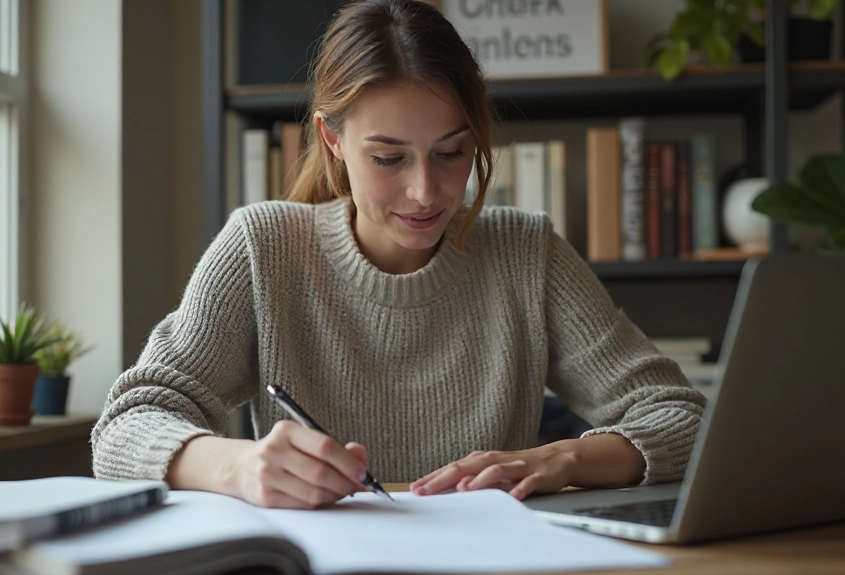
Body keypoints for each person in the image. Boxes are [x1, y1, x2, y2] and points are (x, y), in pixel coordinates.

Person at [91, 0, 705, 510]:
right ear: (332, 138)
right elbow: (126, 426)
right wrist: (241, 467)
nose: (425, 192)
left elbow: (682, 416)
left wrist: (559, 457)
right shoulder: (264, 248)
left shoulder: (526, 252)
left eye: (452, 153)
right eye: (388, 158)